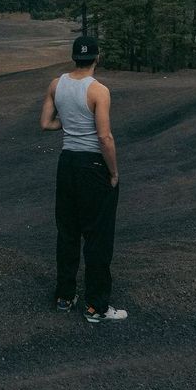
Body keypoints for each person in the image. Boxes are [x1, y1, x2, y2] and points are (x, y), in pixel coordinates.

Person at [40, 35, 127, 323]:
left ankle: (65, 296)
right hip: (92, 166)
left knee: (67, 233)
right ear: (97, 58)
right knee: (97, 236)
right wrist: (113, 172)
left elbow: (46, 123)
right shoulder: (99, 91)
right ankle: (96, 307)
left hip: (67, 165)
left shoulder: (57, 84)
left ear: (74, 57)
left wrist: (69, 120)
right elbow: (104, 137)